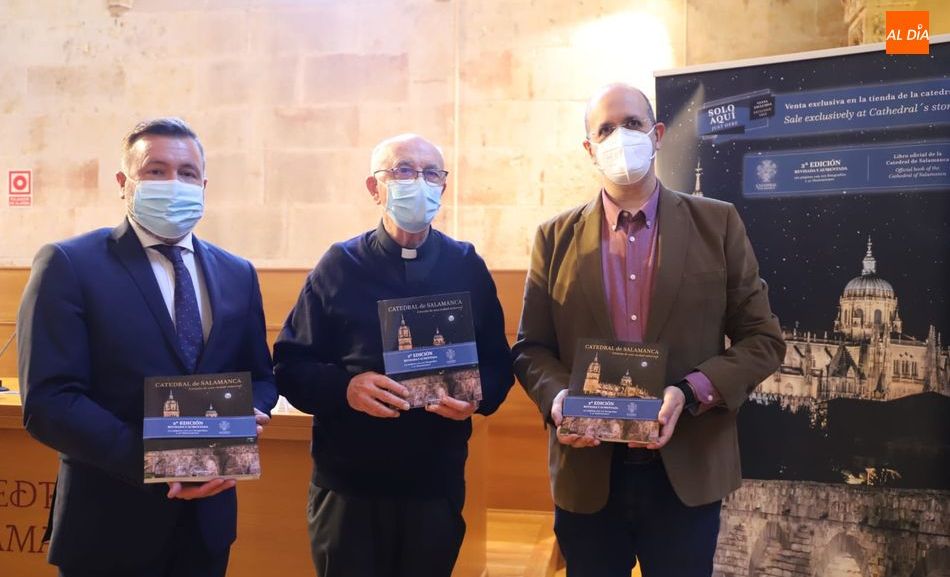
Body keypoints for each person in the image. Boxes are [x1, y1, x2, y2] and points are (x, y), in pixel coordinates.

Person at [512, 83, 786, 577]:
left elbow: (762, 340)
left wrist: (689, 390)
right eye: (606, 129)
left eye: (633, 124)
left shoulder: (717, 223)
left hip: (687, 468)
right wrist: (558, 401)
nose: (621, 137)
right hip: (589, 472)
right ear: (589, 149)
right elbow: (532, 349)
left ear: (657, 134)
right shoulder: (553, 238)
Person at [17, 117, 278, 577]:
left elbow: (259, 375)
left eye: (187, 173)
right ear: (125, 183)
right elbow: (50, 401)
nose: (173, 183)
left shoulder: (238, 273)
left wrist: (246, 415)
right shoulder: (70, 264)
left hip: (207, 525)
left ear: (204, 184)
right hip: (108, 524)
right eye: (155, 171)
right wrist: (157, 463)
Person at [274, 133, 514, 577]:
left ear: (443, 186)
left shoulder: (466, 265)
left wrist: (476, 398)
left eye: (430, 173)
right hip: (350, 484)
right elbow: (290, 365)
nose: (417, 182)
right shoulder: (339, 265)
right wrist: (345, 388)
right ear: (374, 187)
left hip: (433, 480)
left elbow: (499, 363)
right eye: (403, 171)